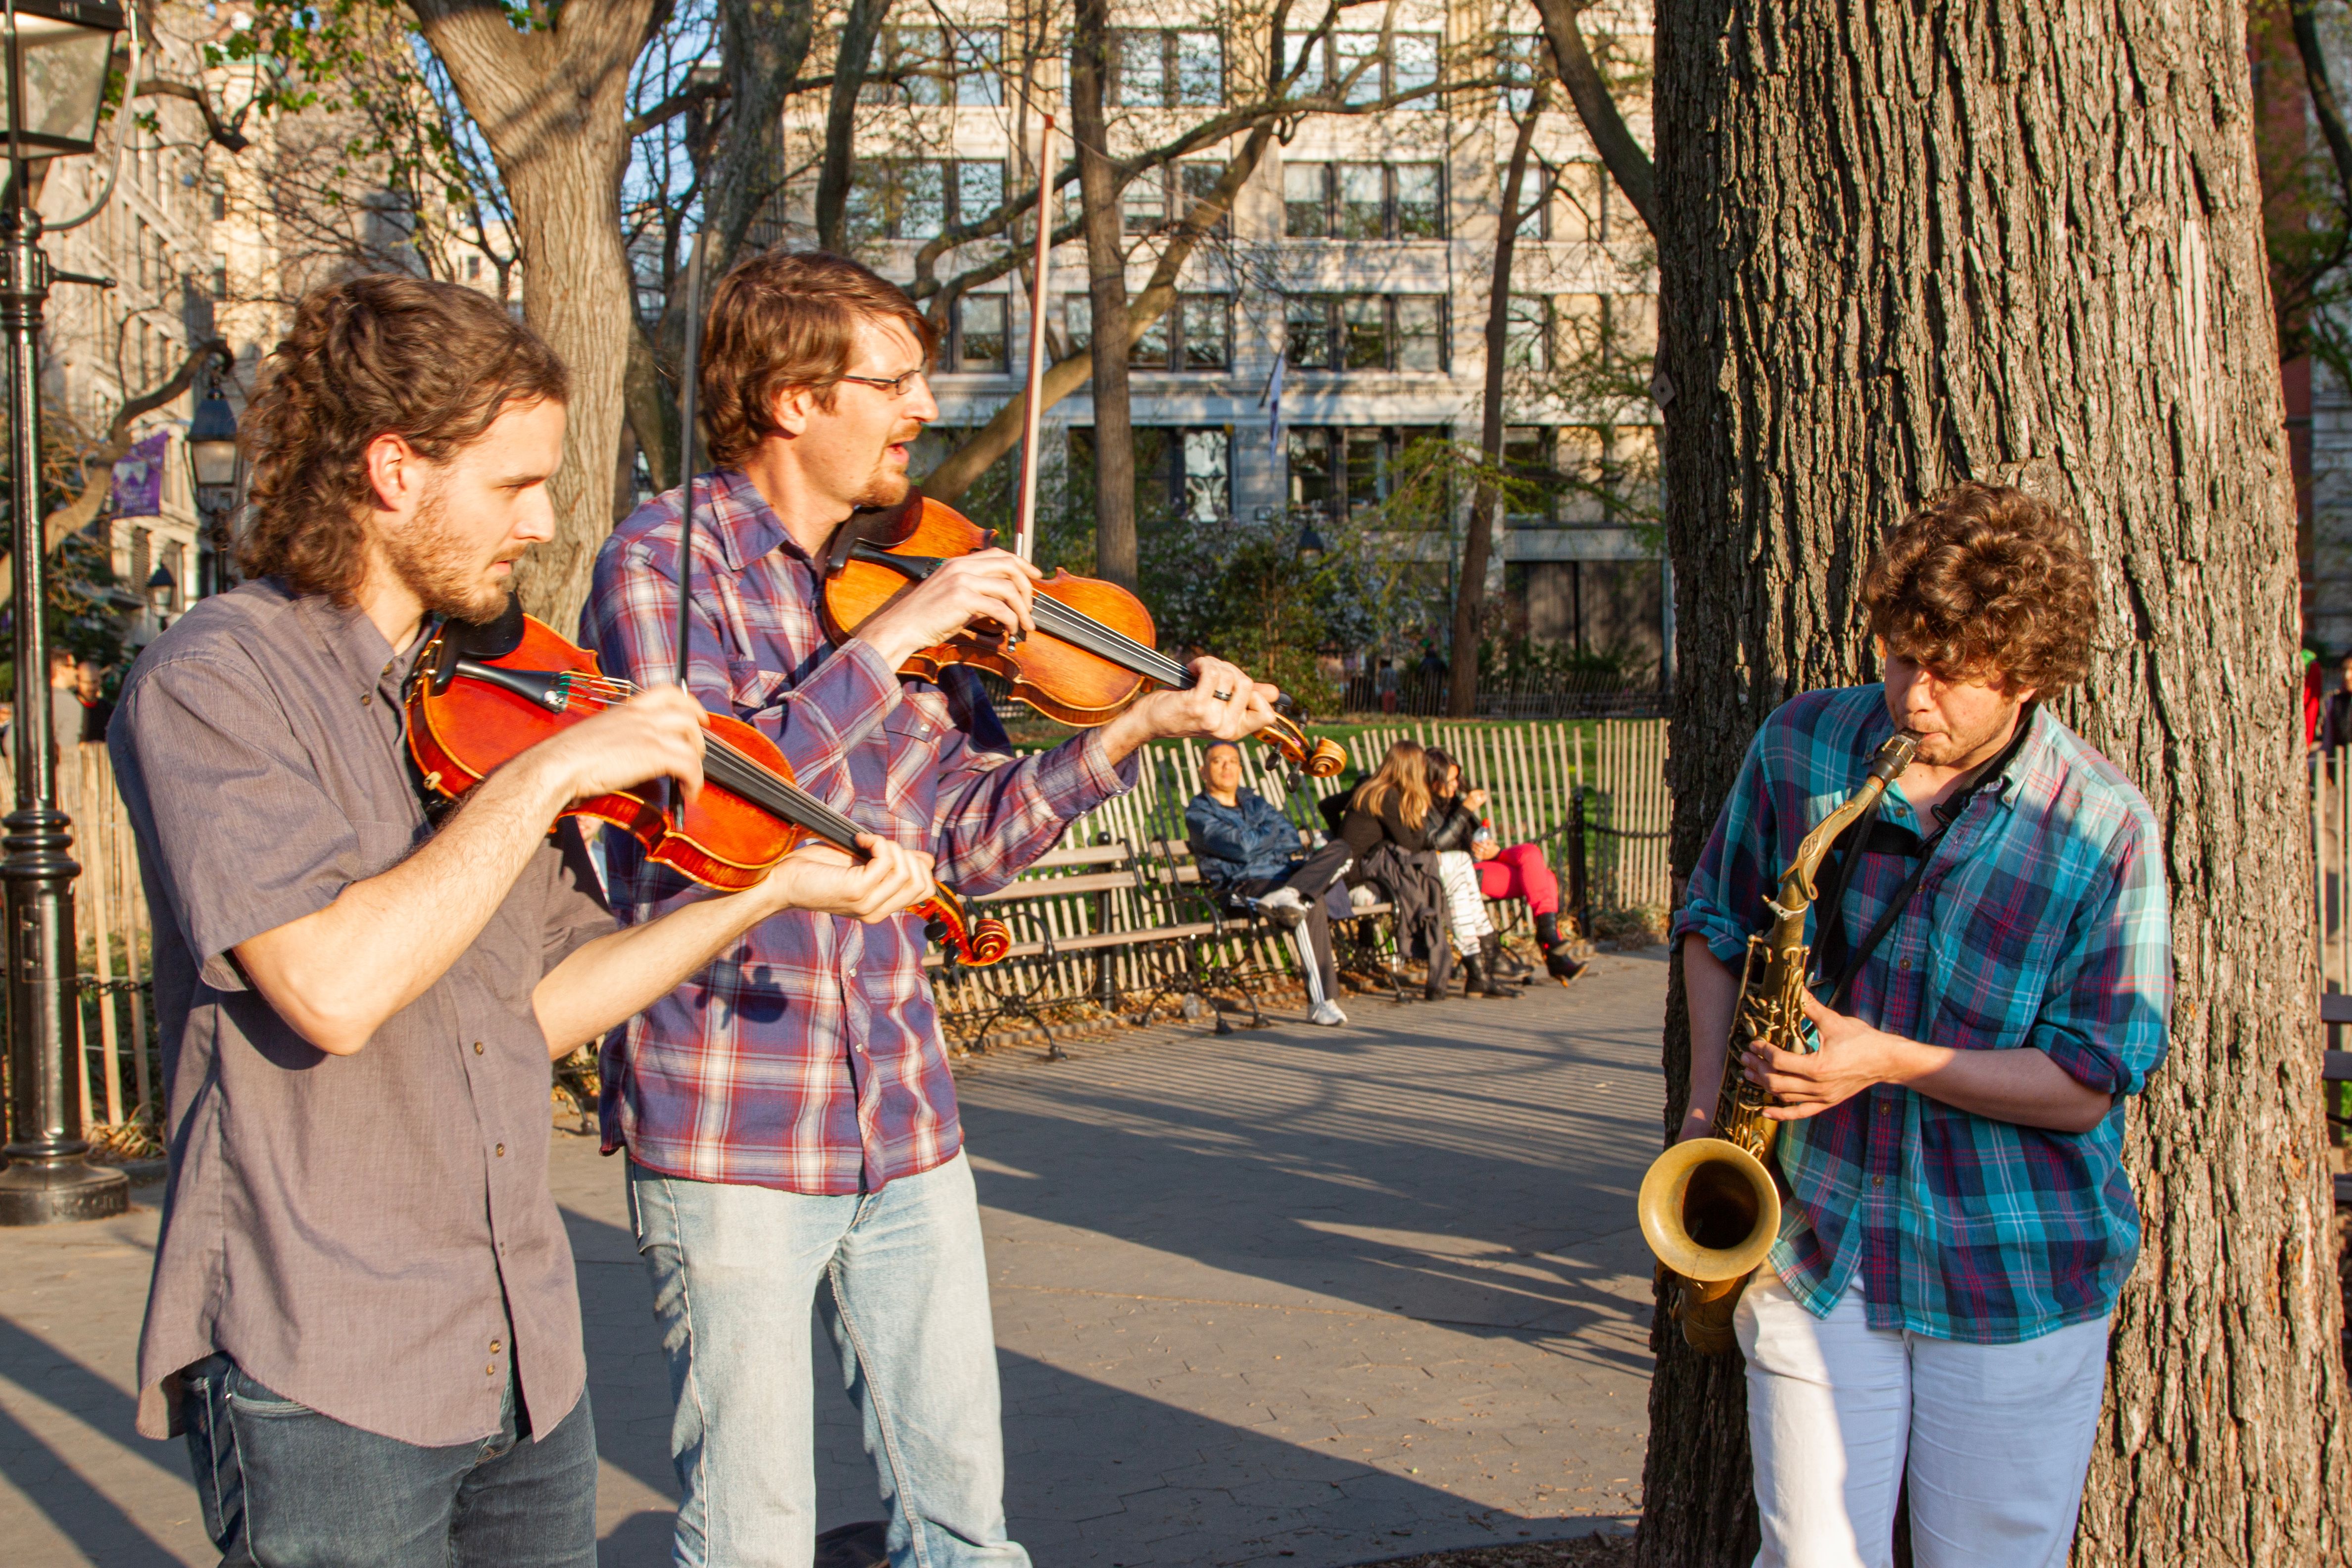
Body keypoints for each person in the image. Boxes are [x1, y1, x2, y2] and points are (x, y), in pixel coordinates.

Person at [108, 275, 933, 1568]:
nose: (545, 525)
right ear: (394, 471)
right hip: (328, 1362)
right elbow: (329, 987)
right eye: (512, 486)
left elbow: (548, 997)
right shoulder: (215, 681)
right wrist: (549, 775)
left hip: (520, 1353)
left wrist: (762, 888)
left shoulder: (479, 697)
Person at [582, 248, 1281, 1568]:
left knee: (966, 1529)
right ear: (791, 397)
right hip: (735, 1109)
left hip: (903, 1108)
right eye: (892, 381)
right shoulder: (666, 564)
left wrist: (1133, 725)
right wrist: (890, 645)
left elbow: (969, 838)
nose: (921, 409)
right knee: (753, 1537)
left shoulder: (902, 579)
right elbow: (722, 814)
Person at [1672, 483, 2169, 1568]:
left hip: (2010, 1264)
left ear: (2027, 675)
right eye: (1900, 655)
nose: (1913, 693)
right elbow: (1713, 923)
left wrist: (1890, 1062)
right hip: (1815, 1238)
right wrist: (1709, 1111)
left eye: (1949, 672)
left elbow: (2089, 1080)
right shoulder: (1806, 742)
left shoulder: (2103, 826)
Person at [1185, 738, 1353, 1025]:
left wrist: (1259, 837)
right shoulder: (1199, 814)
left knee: (1342, 849)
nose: (1227, 767)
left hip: (1283, 875)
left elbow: (1289, 837)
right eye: (1218, 761)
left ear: (1241, 768)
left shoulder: (1255, 802)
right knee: (1309, 904)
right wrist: (1266, 834)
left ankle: (1292, 892)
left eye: (1233, 762)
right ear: (1203, 771)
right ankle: (1322, 1002)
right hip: (1243, 885)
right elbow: (1242, 848)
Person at [1424, 747, 1587, 988]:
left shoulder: (1454, 801)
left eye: (1457, 779)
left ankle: (1550, 939)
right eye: (1450, 781)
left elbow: (1473, 835)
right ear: (1433, 780)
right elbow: (1439, 843)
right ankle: (1552, 947)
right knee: (1546, 879)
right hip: (1462, 871)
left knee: (1531, 854)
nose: (1456, 785)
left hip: (1483, 861)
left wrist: (1492, 849)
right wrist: (1466, 809)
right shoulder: (1425, 806)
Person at [1329, 738, 1454, 999]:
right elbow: (1412, 845)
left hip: (1352, 870)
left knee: (1427, 872)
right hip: (1359, 880)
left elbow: (1327, 806)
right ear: (1412, 769)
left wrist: (1340, 837)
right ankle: (1446, 953)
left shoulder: (1370, 788)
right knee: (1427, 872)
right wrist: (1420, 814)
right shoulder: (1389, 796)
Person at [75, 658, 115, 742]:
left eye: (94, 682)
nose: (91, 688)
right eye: (86, 682)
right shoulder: (72, 707)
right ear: (77, 682)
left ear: (100, 681)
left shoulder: (108, 709)